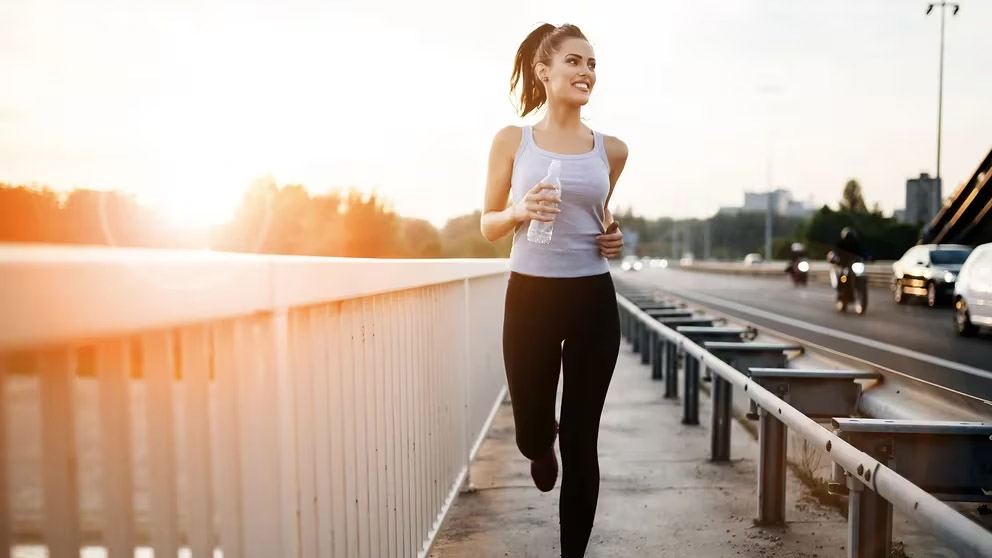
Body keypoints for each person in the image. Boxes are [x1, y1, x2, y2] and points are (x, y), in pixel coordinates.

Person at [479, 23, 628, 558]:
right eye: (574, 61)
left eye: (591, 64)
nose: (585, 72)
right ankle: (538, 445)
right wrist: (519, 210)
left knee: (582, 438)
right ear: (545, 71)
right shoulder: (512, 141)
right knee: (531, 431)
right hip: (531, 300)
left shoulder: (611, 149)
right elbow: (488, 224)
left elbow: (602, 215)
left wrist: (613, 237)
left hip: (592, 300)